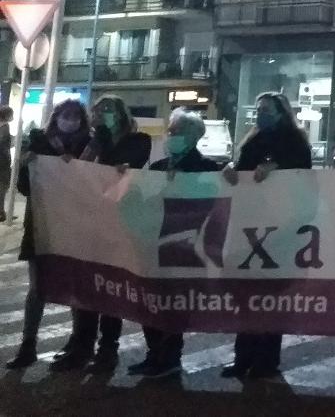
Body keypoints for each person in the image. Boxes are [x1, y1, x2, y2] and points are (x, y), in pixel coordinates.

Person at [55, 96, 153, 373]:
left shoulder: (138, 140)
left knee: (111, 288)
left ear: (122, 114)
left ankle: (107, 351)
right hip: (88, 221)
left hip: (119, 223)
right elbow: (79, 172)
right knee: (86, 288)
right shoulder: (91, 141)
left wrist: (106, 141)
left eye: (108, 110)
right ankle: (81, 347)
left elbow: (116, 168)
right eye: (97, 110)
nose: (101, 114)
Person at [220, 92, 312, 379]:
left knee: (271, 296)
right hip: (250, 223)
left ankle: (267, 360)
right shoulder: (253, 140)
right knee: (246, 294)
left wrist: (277, 169)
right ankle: (242, 358)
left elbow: (302, 174)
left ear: (281, 112)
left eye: (267, 110)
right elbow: (242, 171)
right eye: (258, 109)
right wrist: (231, 172)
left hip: (280, 226)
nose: (261, 114)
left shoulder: (295, 142)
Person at [128, 109, 221, 377]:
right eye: (171, 131)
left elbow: (212, 206)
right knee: (151, 302)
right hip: (152, 246)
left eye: (178, 131)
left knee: (173, 305)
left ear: (194, 137)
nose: (172, 136)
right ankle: (153, 353)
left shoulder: (206, 169)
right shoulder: (157, 168)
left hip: (183, 248)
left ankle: (169, 358)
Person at [5, 100, 92, 370]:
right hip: (41, 225)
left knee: (77, 288)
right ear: (56, 118)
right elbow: (24, 188)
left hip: (76, 227)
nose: (71, 120)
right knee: (37, 289)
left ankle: (77, 342)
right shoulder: (40, 143)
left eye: (76, 116)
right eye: (66, 115)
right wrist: (24, 166)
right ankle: (28, 345)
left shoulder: (89, 147)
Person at [0, 105, 12, 223]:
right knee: (2, 186)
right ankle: (1, 213)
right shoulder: (5, 127)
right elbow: (3, 143)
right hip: (2, 162)